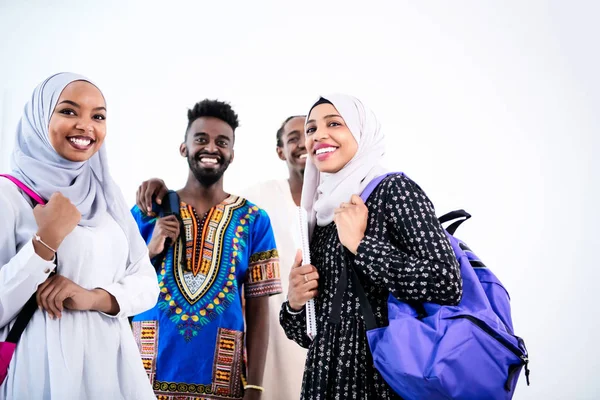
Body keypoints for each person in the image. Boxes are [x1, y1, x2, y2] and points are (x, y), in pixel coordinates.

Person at [280, 94, 463, 399]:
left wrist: (362, 246)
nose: (318, 135)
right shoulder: (319, 213)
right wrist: (296, 304)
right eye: (311, 129)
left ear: (362, 132)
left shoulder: (393, 190)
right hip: (324, 383)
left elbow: (446, 281)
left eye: (334, 123)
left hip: (381, 378)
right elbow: (311, 333)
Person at [0, 72, 159, 399]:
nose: (86, 126)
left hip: (113, 366)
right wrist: (44, 243)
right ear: (40, 117)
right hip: (43, 367)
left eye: (97, 116)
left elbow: (146, 283)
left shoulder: (107, 194)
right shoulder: (9, 196)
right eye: (69, 111)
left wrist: (95, 297)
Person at [131, 99, 282, 400]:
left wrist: (255, 386)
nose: (211, 148)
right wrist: (150, 250)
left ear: (232, 154)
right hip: (144, 378)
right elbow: (119, 290)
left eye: (221, 142)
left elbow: (258, 309)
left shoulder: (254, 220)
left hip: (222, 384)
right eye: (201, 139)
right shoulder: (146, 212)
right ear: (184, 147)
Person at [237, 115, 308, 399]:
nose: (303, 143)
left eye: (309, 134)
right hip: (275, 330)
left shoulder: (346, 199)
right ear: (280, 151)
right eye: (293, 138)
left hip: (333, 335)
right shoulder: (257, 198)